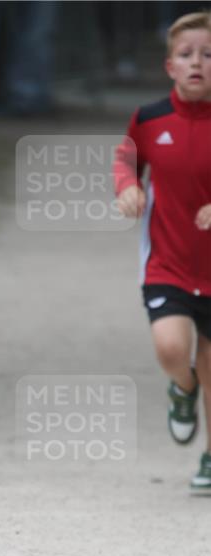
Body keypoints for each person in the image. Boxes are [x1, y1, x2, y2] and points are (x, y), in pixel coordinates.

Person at [114, 11, 211, 492]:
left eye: (209, 54)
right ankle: (183, 386)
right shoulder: (151, 118)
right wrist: (128, 187)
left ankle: (210, 458)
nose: (198, 63)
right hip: (167, 263)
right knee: (172, 348)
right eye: (187, 54)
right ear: (170, 66)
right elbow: (127, 155)